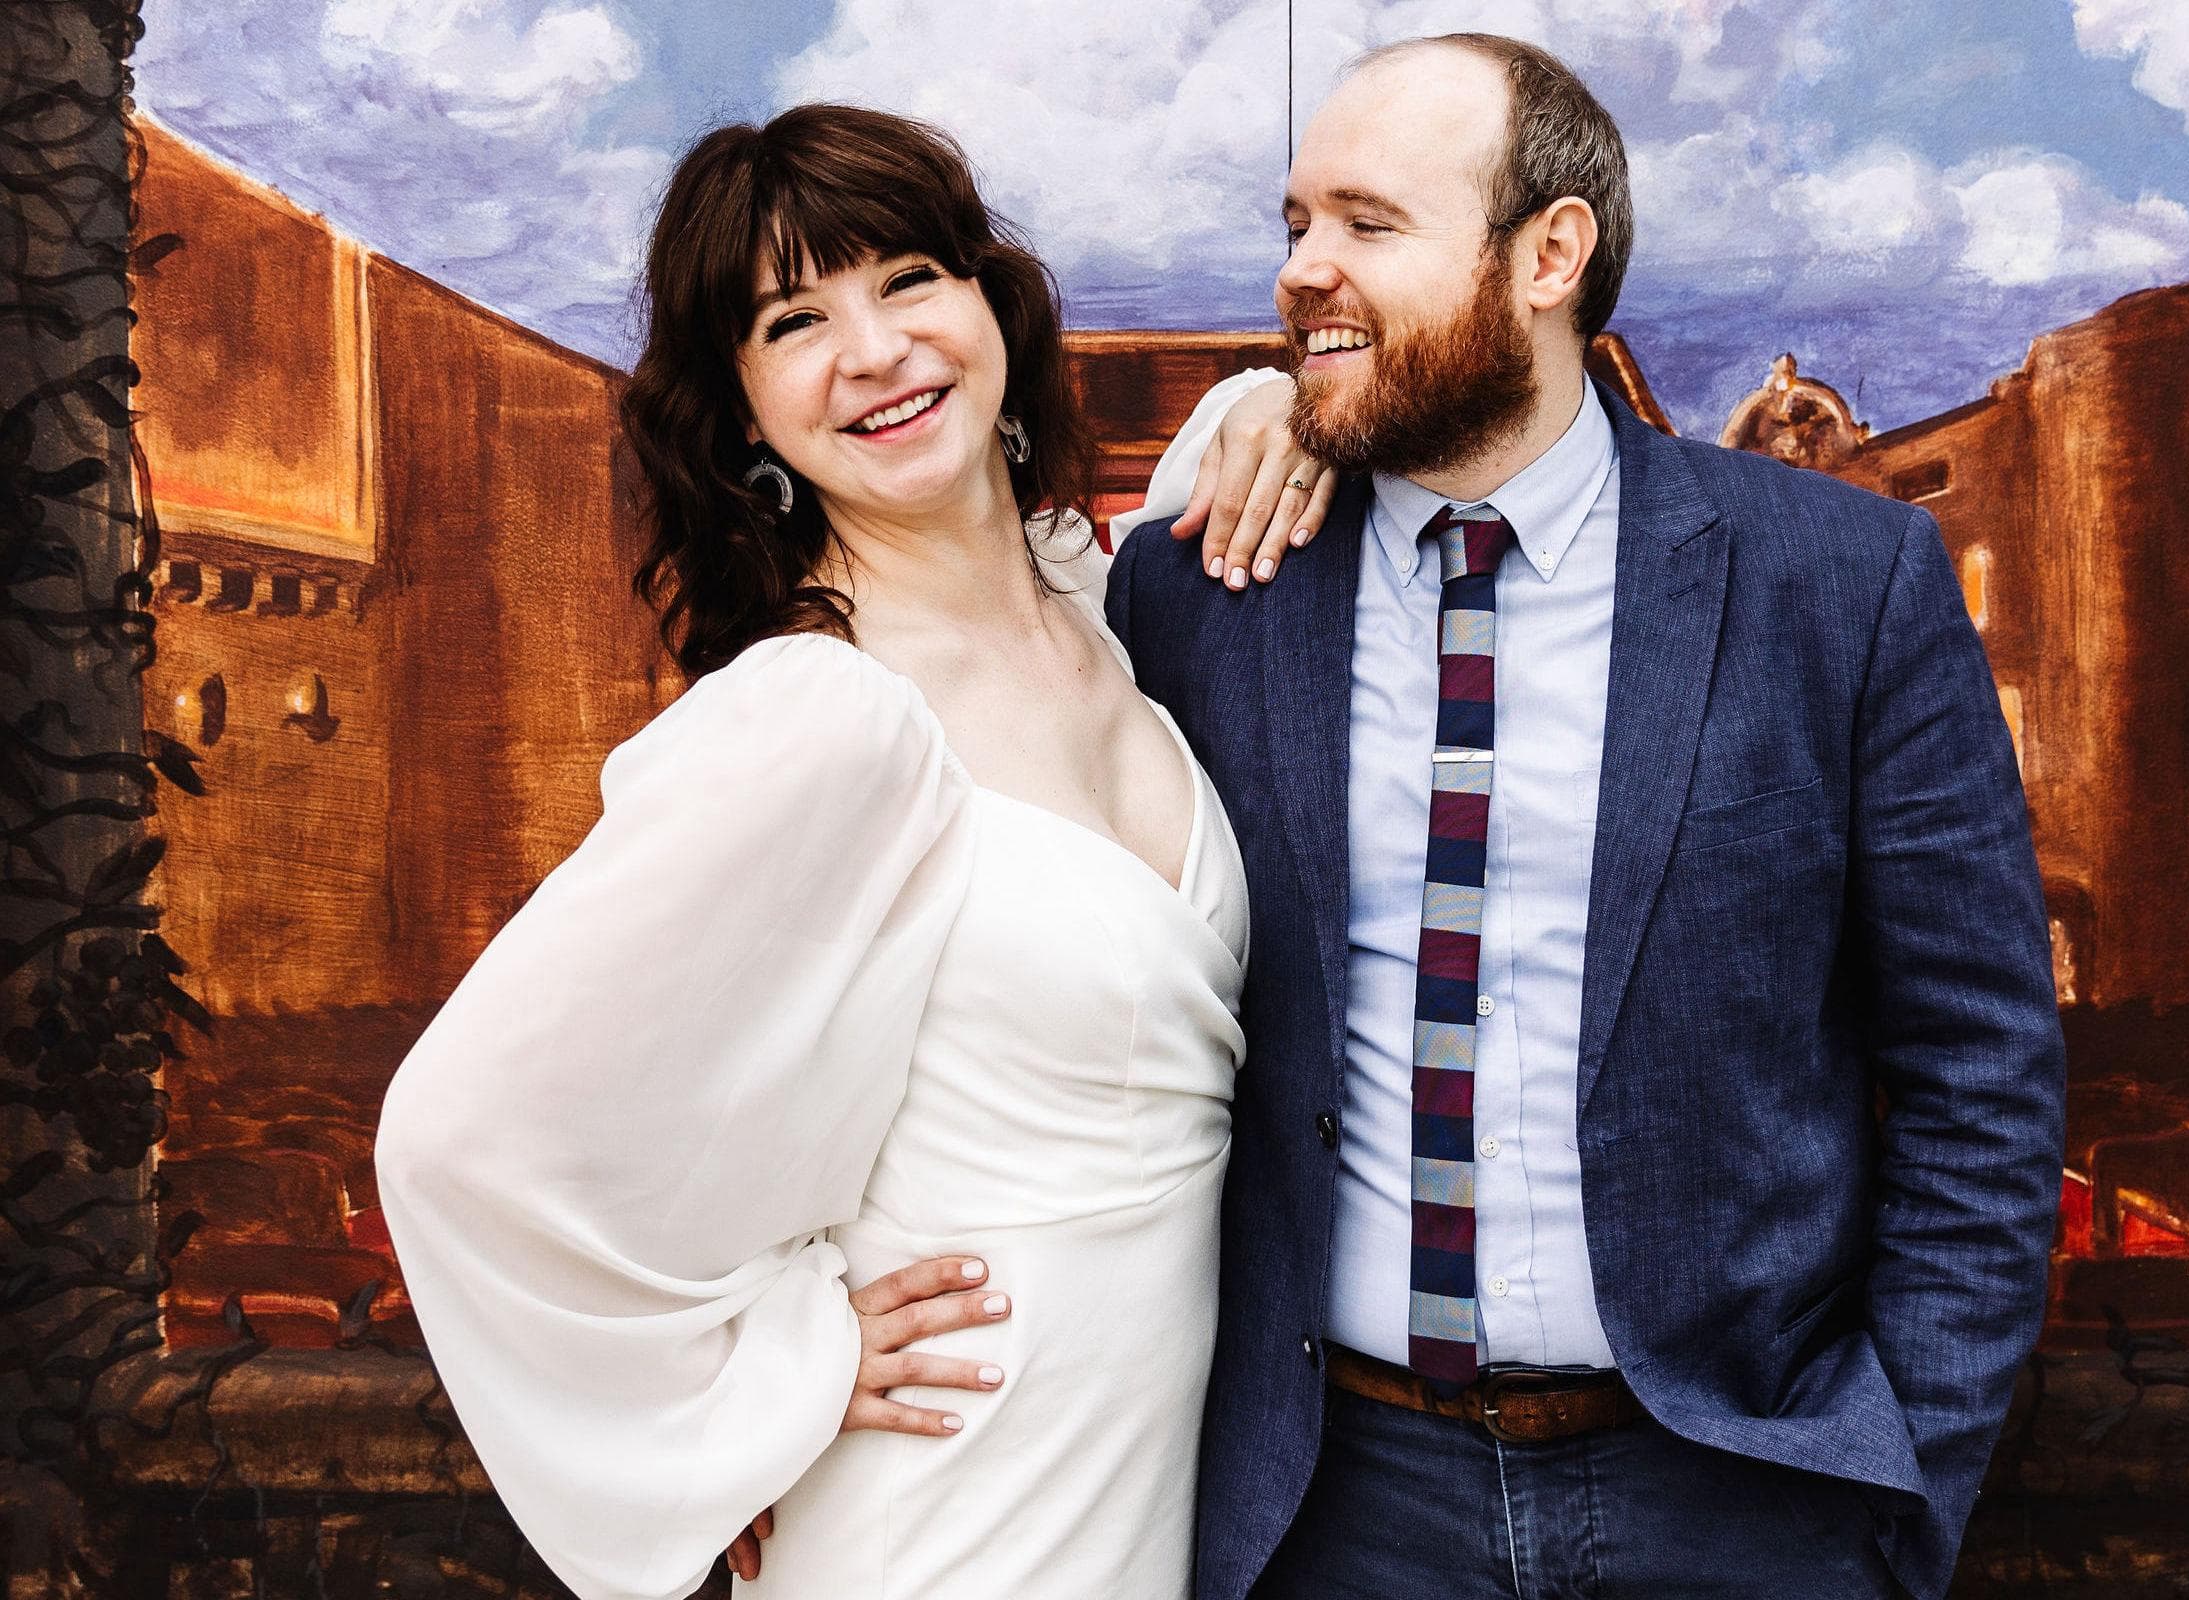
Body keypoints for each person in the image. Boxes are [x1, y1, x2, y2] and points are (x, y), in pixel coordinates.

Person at [1101, 31, 2067, 1600]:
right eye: (1294, 227)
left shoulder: (1842, 586)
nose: (1302, 273)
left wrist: (1896, 1496)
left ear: (1550, 252)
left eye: (1367, 224)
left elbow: (1979, 1070)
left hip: (1743, 1495)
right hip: (1335, 1507)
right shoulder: (1204, 591)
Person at [371, 103, 1330, 1600]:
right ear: (747, 410)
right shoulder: (824, 720)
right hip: (945, 1506)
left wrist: (1284, 401)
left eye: (905, 280)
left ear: (987, 304)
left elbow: (1236, 469)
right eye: (793, 319)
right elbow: (457, 1143)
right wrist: (762, 1378)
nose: (874, 350)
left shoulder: (1094, 603)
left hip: (1145, 1491)